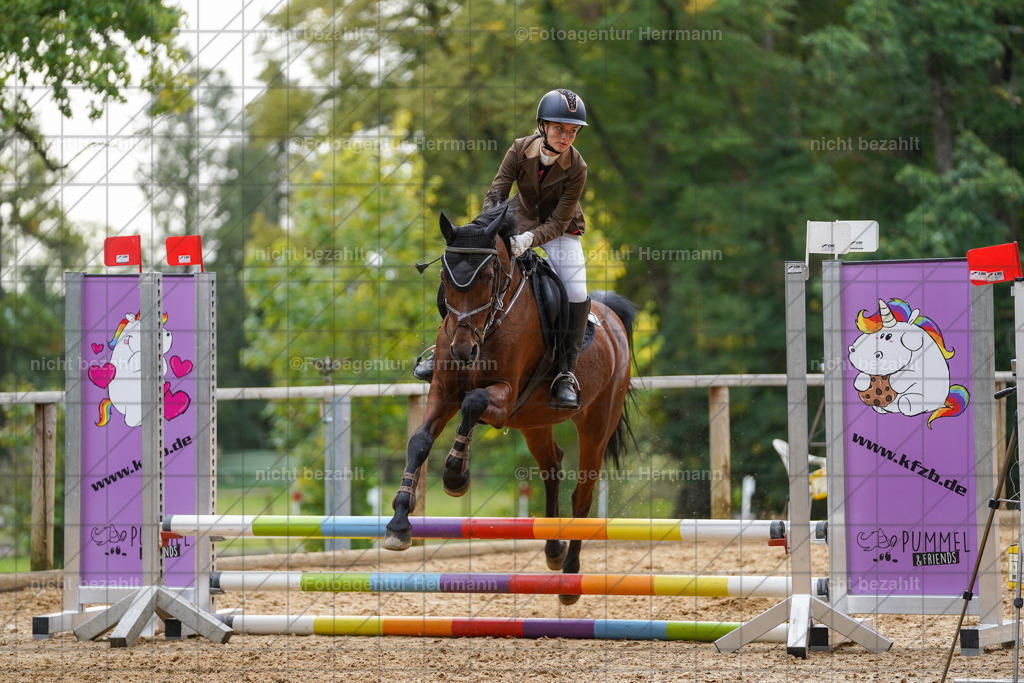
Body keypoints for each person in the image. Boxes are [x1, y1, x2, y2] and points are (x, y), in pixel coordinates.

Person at [415, 88, 591, 410]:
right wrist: (487, 228)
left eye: (572, 131)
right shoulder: (519, 149)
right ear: (543, 126)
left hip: (560, 232)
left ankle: (566, 372)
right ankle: (439, 350)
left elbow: (556, 221)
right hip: (515, 221)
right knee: (466, 269)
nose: (566, 137)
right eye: (559, 128)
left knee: (577, 292)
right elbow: (496, 192)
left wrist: (528, 241)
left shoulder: (577, 167)